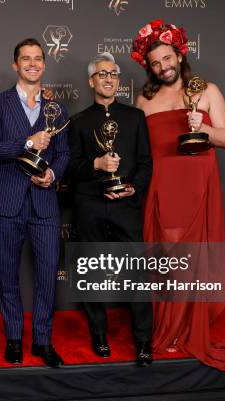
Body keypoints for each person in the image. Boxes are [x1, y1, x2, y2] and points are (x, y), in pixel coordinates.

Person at [132, 19, 225, 370]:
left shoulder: (207, 90)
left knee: (193, 261)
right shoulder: (143, 99)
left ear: (180, 55)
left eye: (168, 58)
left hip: (197, 186)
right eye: (156, 63)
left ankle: (186, 331)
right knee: (166, 261)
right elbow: (140, 151)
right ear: (148, 67)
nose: (164, 67)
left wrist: (205, 128)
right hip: (160, 187)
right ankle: (167, 327)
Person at [0, 38, 70, 368]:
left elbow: (64, 154)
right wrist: (26, 142)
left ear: (44, 65)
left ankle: (43, 340)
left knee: (47, 274)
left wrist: (53, 175)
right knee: (8, 274)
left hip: (44, 202)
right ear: (15, 65)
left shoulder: (55, 108)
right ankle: (14, 339)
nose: (32, 64)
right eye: (25, 59)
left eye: (38, 59)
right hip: (7, 201)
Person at [68, 52, 153, 366]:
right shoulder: (77, 122)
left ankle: (144, 339)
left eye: (113, 74)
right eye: (102, 74)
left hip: (125, 206)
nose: (108, 79)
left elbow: (145, 163)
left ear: (118, 80)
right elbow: (71, 168)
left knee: (137, 274)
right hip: (90, 204)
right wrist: (96, 163)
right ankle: (99, 333)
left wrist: (133, 188)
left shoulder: (134, 118)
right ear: (92, 81)